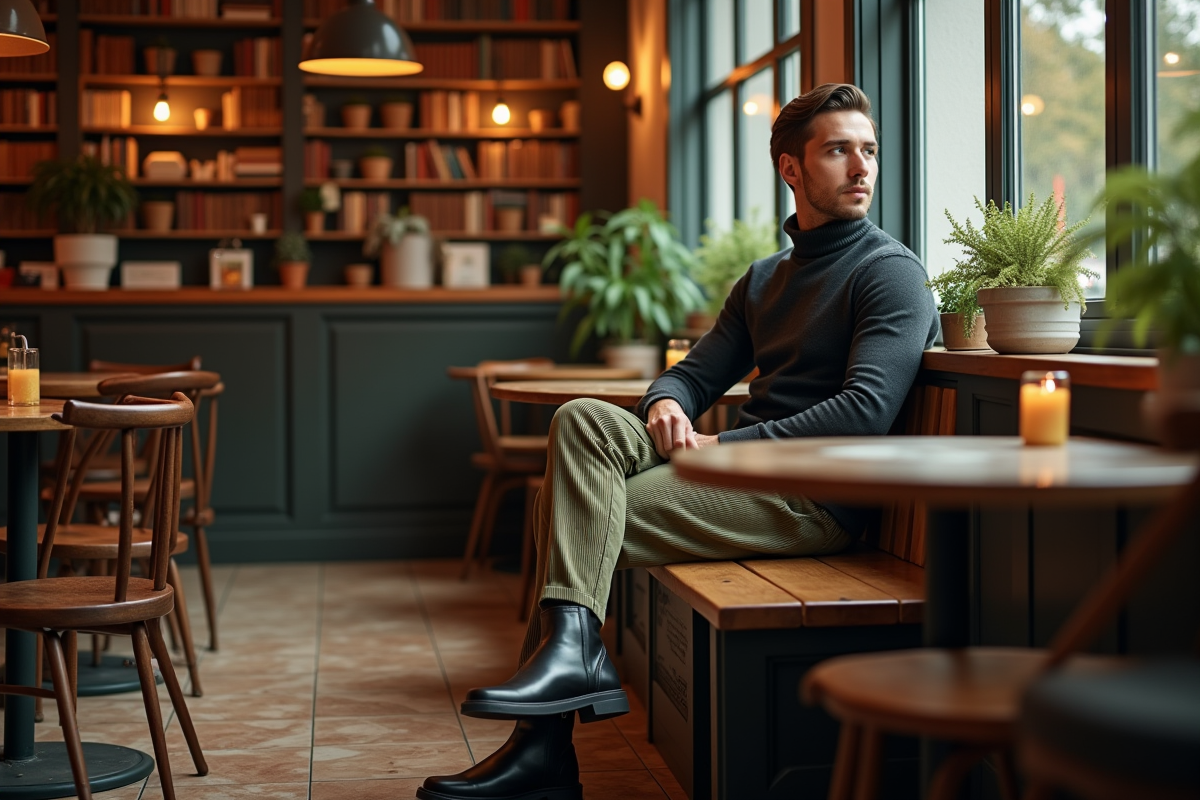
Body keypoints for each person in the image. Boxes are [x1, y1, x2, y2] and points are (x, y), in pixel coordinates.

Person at [418, 83, 939, 800]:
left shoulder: (890, 272)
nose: (862, 167)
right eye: (839, 150)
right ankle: (563, 691)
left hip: (812, 500)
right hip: (743, 476)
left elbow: (864, 411)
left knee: (562, 513)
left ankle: (542, 749)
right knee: (582, 418)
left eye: (869, 150)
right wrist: (666, 405)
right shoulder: (766, 279)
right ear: (792, 169)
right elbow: (689, 376)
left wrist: (724, 451)